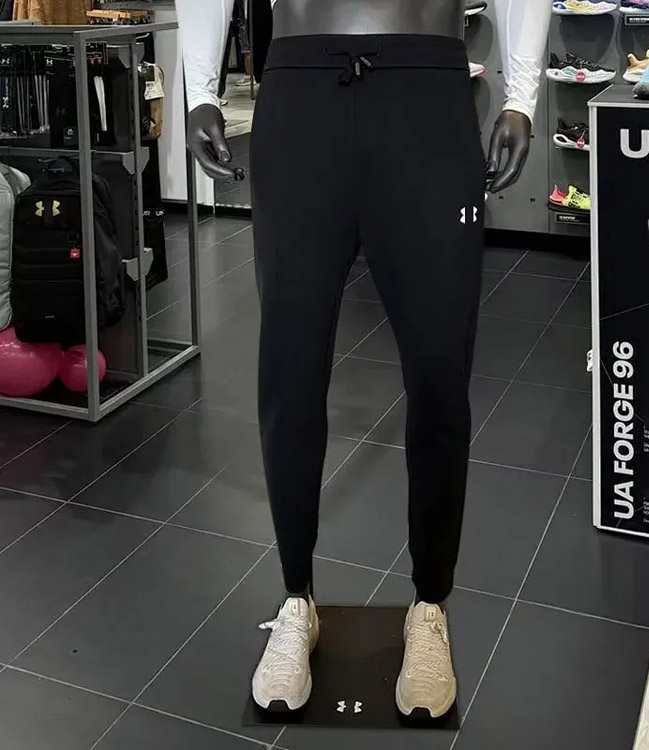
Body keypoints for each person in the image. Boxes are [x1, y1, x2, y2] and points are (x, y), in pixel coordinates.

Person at [175, 0, 551, 719]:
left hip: (427, 97)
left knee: (440, 374)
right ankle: (296, 600)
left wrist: (521, 95)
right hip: (300, 94)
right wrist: (200, 90)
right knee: (289, 369)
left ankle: (430, 607)